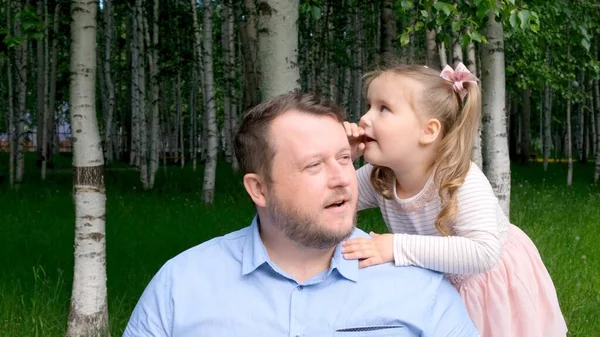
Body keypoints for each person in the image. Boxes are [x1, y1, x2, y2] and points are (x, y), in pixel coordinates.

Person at [123, 92, 478, 337]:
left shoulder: (420, 288)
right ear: (258, 189)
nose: (342, 178)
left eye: (344, 158)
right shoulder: (181, 286)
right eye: (314, 165)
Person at [341, 63, 568, 336]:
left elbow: (483, 253)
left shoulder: (459, 180)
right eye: (368, 105)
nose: (364, 118)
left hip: (487, 283)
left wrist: (395, 247)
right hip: (439, 279)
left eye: (383, 109)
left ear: (428, 131)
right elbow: (334, 198)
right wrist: (342, 157)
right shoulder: (381, 177)